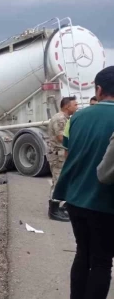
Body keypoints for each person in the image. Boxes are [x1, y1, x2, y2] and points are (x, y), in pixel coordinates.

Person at [53, 66, 114, 299]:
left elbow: (68, 155)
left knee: (82, 254)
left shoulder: (77, 117)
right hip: (106, 203)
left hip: (76, 198)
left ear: (98, 90)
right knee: (101, 261)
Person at [47, 96, 78, 222]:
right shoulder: (60, 119)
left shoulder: (65, 118)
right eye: (75, 105)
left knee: (62, 180)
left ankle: (59, 207)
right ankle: (53, 211)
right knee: (58, 180)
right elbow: (61, 138)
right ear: (67, 106)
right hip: (58, 154)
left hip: (61, 154)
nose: (77, 107)